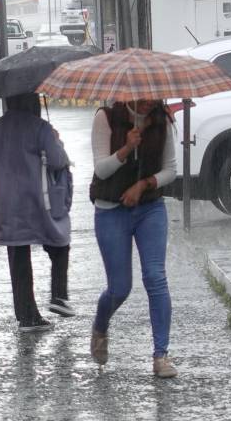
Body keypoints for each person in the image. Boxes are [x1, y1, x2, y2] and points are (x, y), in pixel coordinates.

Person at [89, 100, 178, 379]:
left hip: (150, 208)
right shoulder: (105, 117)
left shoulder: (162, 121)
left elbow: (170, 169)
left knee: (155, 277)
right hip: (110, 209)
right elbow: (101, 170)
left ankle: (161, 354)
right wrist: (126, 148)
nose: (149, 99)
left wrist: (143, 184)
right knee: (120, 288)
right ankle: (101, 325)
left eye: (154, 94)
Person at [0, 93, 74, 333]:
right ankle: (58, 295)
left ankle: (26, 317)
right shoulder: (40, 127)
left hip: (7, 202)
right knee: (59, 244)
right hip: (36, 201)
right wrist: (56, 140)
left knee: (19, 258)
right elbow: (57, 161)